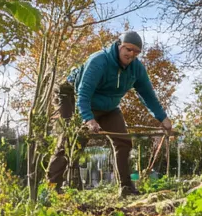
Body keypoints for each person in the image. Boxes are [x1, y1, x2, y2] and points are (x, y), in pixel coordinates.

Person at [46, 31, 173, 196]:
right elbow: (83, 93)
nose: (131, 54)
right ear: (119, 45)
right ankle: (50, 188)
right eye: (128, 49)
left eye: (136, 52)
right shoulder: (99, 61)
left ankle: (126, 188)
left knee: (123, 142)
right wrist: (88, 119)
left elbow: (148, 95)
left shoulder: (136, 69)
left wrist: (163, 118)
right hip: (74, 97)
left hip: (108, 106)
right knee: (71, 142)